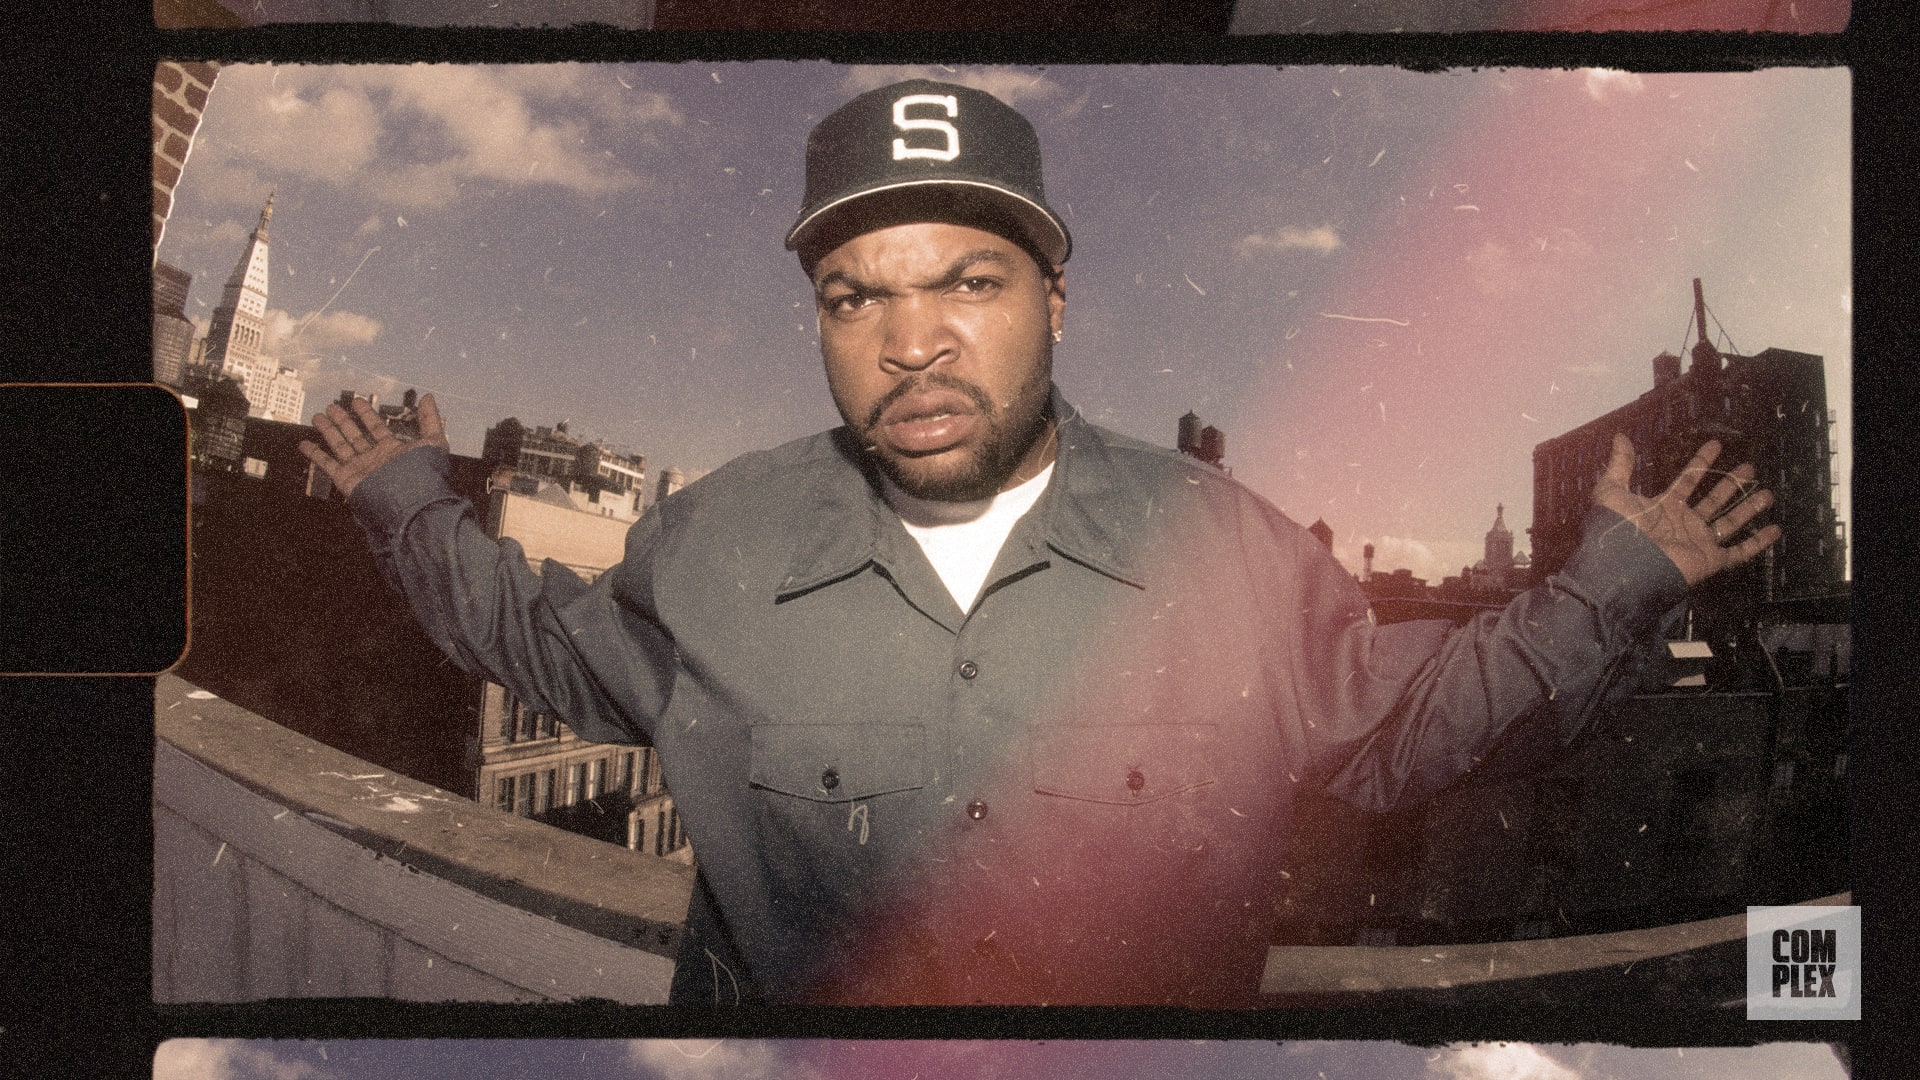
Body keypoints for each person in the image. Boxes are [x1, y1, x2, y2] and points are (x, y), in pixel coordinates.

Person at [301, 79, 1779, 1007]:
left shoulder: (1224, 548)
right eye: (855, 297)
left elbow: (1404, 723)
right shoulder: (720, 538)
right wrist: (407, 503)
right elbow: (534, 640)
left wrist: (1613, 586)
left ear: (1056, 301)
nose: (911, 344)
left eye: (969, 281)